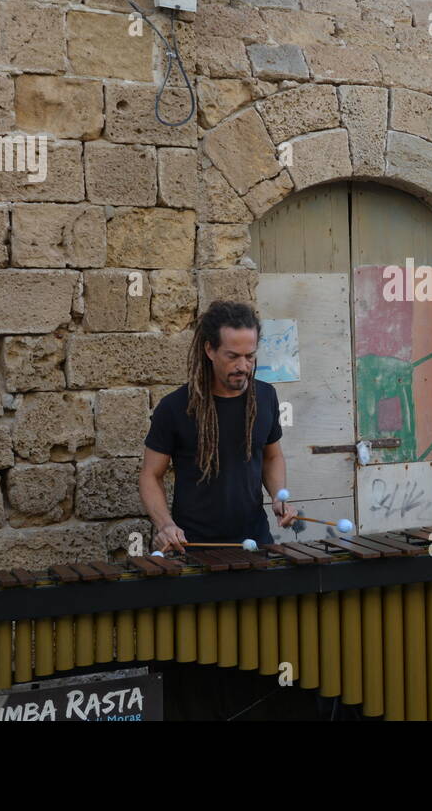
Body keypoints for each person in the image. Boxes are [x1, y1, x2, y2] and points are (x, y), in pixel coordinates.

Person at [139, 299, 301, 719]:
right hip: (194, 553)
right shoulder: (177, 408)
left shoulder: (264, 397)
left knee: (260, 656)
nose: (243, 366)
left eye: (250, 356)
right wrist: (164, 524)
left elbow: (271, 457)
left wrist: (279, 496)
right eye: (232, 356)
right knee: (199, 666)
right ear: (209, 350)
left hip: (255, 548)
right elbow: (150, 476)